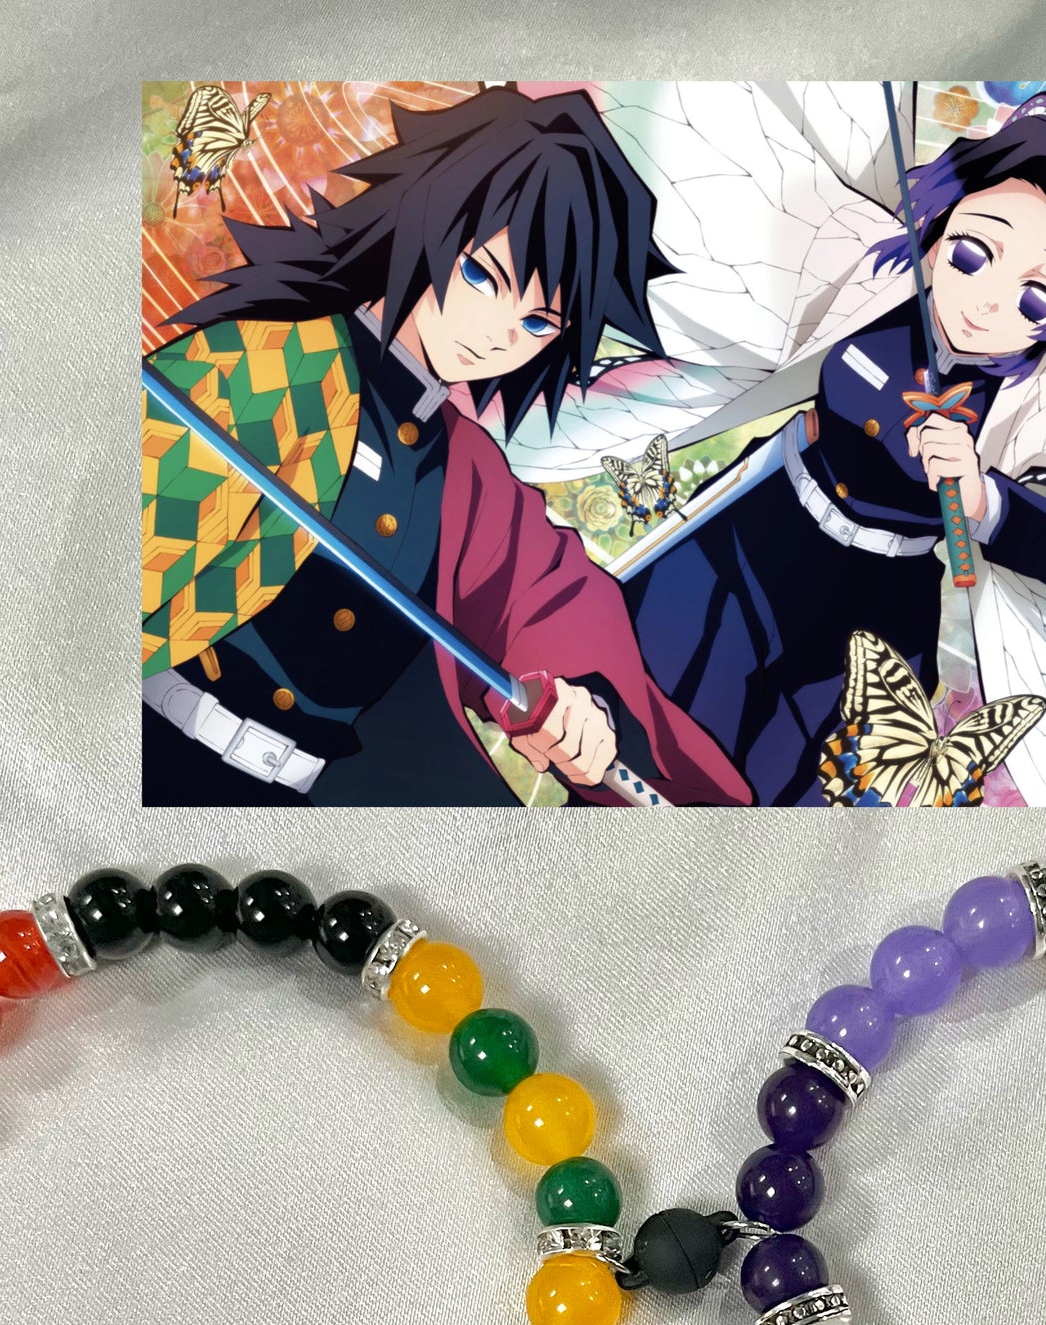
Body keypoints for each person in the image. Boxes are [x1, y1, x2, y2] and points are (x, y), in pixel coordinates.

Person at [507, 87, 1046, 807]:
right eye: (974, 253)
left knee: (767, 795)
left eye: (1035, 299)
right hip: (750, 531)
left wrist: (987, 500)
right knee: (621, 724)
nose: (986, 302)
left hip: (870, 624)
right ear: (943, 226)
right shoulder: (873, 272)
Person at [141, 85, 752, 807]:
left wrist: (579, 700)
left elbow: (550, 599)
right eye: (481, 275)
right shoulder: (268, 359)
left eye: (537, 323)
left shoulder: (467, 471)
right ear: (424, 217)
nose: (496, 335)